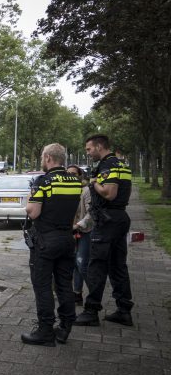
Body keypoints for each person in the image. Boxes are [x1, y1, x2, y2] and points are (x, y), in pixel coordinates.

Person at [21, 143, 81, 346]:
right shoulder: (74, 181)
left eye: (41, 156)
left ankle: (45, 330)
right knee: (64, 284)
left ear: (47, 157)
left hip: (46, 240)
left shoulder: (43, 181)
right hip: (67, 239)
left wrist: (31, 194)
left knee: (43, 285)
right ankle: (64, 327)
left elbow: (33, 211)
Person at [74, 134, 134, 327]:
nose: (88, 153)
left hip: (107, 219)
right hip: (119, 217)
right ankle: (124, 311)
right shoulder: (121, 164)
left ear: (99, 147)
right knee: (118, 265)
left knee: (97, 265)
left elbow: (109, 193)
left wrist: (93, 183)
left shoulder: (108, 165)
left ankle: (91, 312)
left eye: (89, 149)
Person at [66, 165, 93, 306]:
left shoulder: (86, 190)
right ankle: (77, 294)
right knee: (74, 264)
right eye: (68, 173)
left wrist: (78, 225)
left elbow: (91, 212)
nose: (71, 176)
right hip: (69, 232)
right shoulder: (64, 190)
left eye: (74, 174)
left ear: (80, 175)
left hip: (84, 231)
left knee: (82, 264)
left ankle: (95, 296)